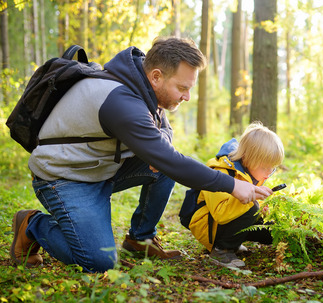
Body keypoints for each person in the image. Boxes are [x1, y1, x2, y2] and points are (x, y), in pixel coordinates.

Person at [10, 37, 271, 273]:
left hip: (100, 168)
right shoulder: (121, 102)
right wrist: (231, 184)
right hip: (65, 178)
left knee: (164, 165)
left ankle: (140, 238)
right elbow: (170, 160)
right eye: (182, 87)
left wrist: (158, 151)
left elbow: (165, 134)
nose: (187, 96)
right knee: (98, 262)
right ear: (156, 76)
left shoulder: (143, 87)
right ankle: (32, 224)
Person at [187, 122, 284, 268]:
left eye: (272, 168)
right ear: (247, 159)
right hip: (207, 226)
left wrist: (262, 208)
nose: (268, 174)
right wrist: (254, 200)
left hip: (226, 221)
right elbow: (221, 213)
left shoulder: (252, 172)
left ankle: (233, 243)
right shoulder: (220, 172)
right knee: (250, 208)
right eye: (265, 167)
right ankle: (221, 250)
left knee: (270, 230)